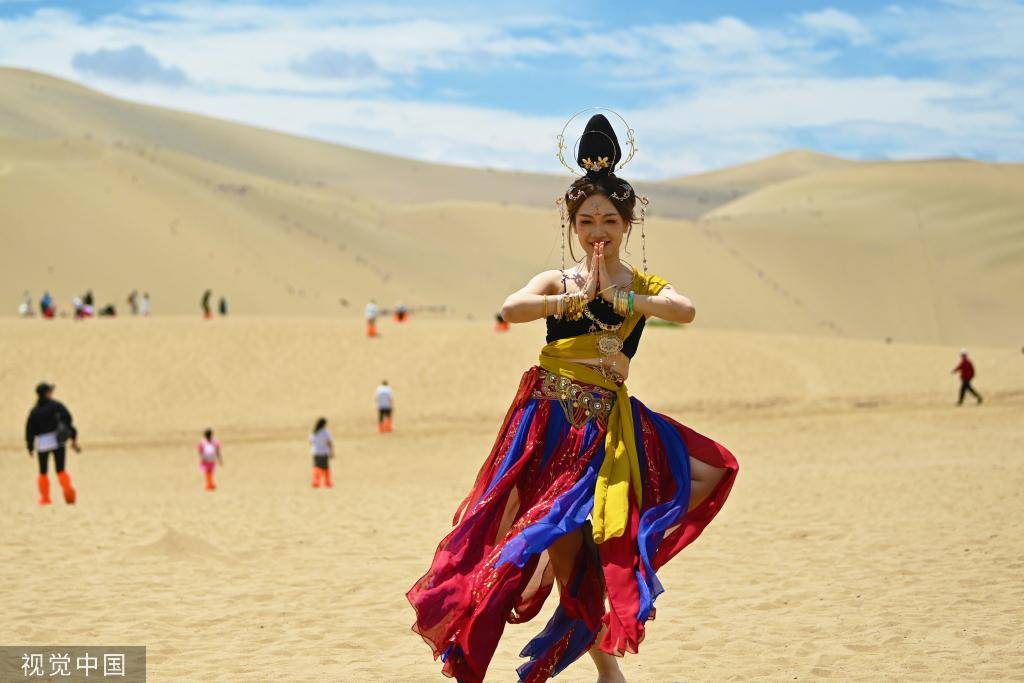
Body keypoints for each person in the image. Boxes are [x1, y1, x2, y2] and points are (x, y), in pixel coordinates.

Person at [407, 113, 739, 683]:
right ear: (571, 224)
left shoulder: (640, 287)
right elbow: (511, 308)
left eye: (609, 219)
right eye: (585, 220)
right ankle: (589, 665)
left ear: (628, 223)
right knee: (553, 535)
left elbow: (685, 311)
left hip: (611, 425)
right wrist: (560, 305)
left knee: (711, 469)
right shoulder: (556, 280)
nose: (596, 230)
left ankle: (635, 551)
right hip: (550, 421)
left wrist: (628, 302)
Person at [25, 382, 80, 505]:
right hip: (57, 440)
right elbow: (68, 418)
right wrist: (72, 434)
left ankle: (45, 498)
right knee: (60, 469)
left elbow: (29, 429)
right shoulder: (56, 406)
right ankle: (68, 493)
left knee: (43, 471)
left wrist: (30, 445)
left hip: (42, 443)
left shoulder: (34, 411)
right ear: (47, 393)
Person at [309, 417, 334, 488]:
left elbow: (311, 442)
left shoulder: (314, 432)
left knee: (316, 467)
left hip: (316, 452)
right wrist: (331, 452)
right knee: (325, 468)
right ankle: (327, 482)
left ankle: (315, 482)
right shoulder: (326, 432)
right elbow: (329, 442)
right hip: (323, 452)